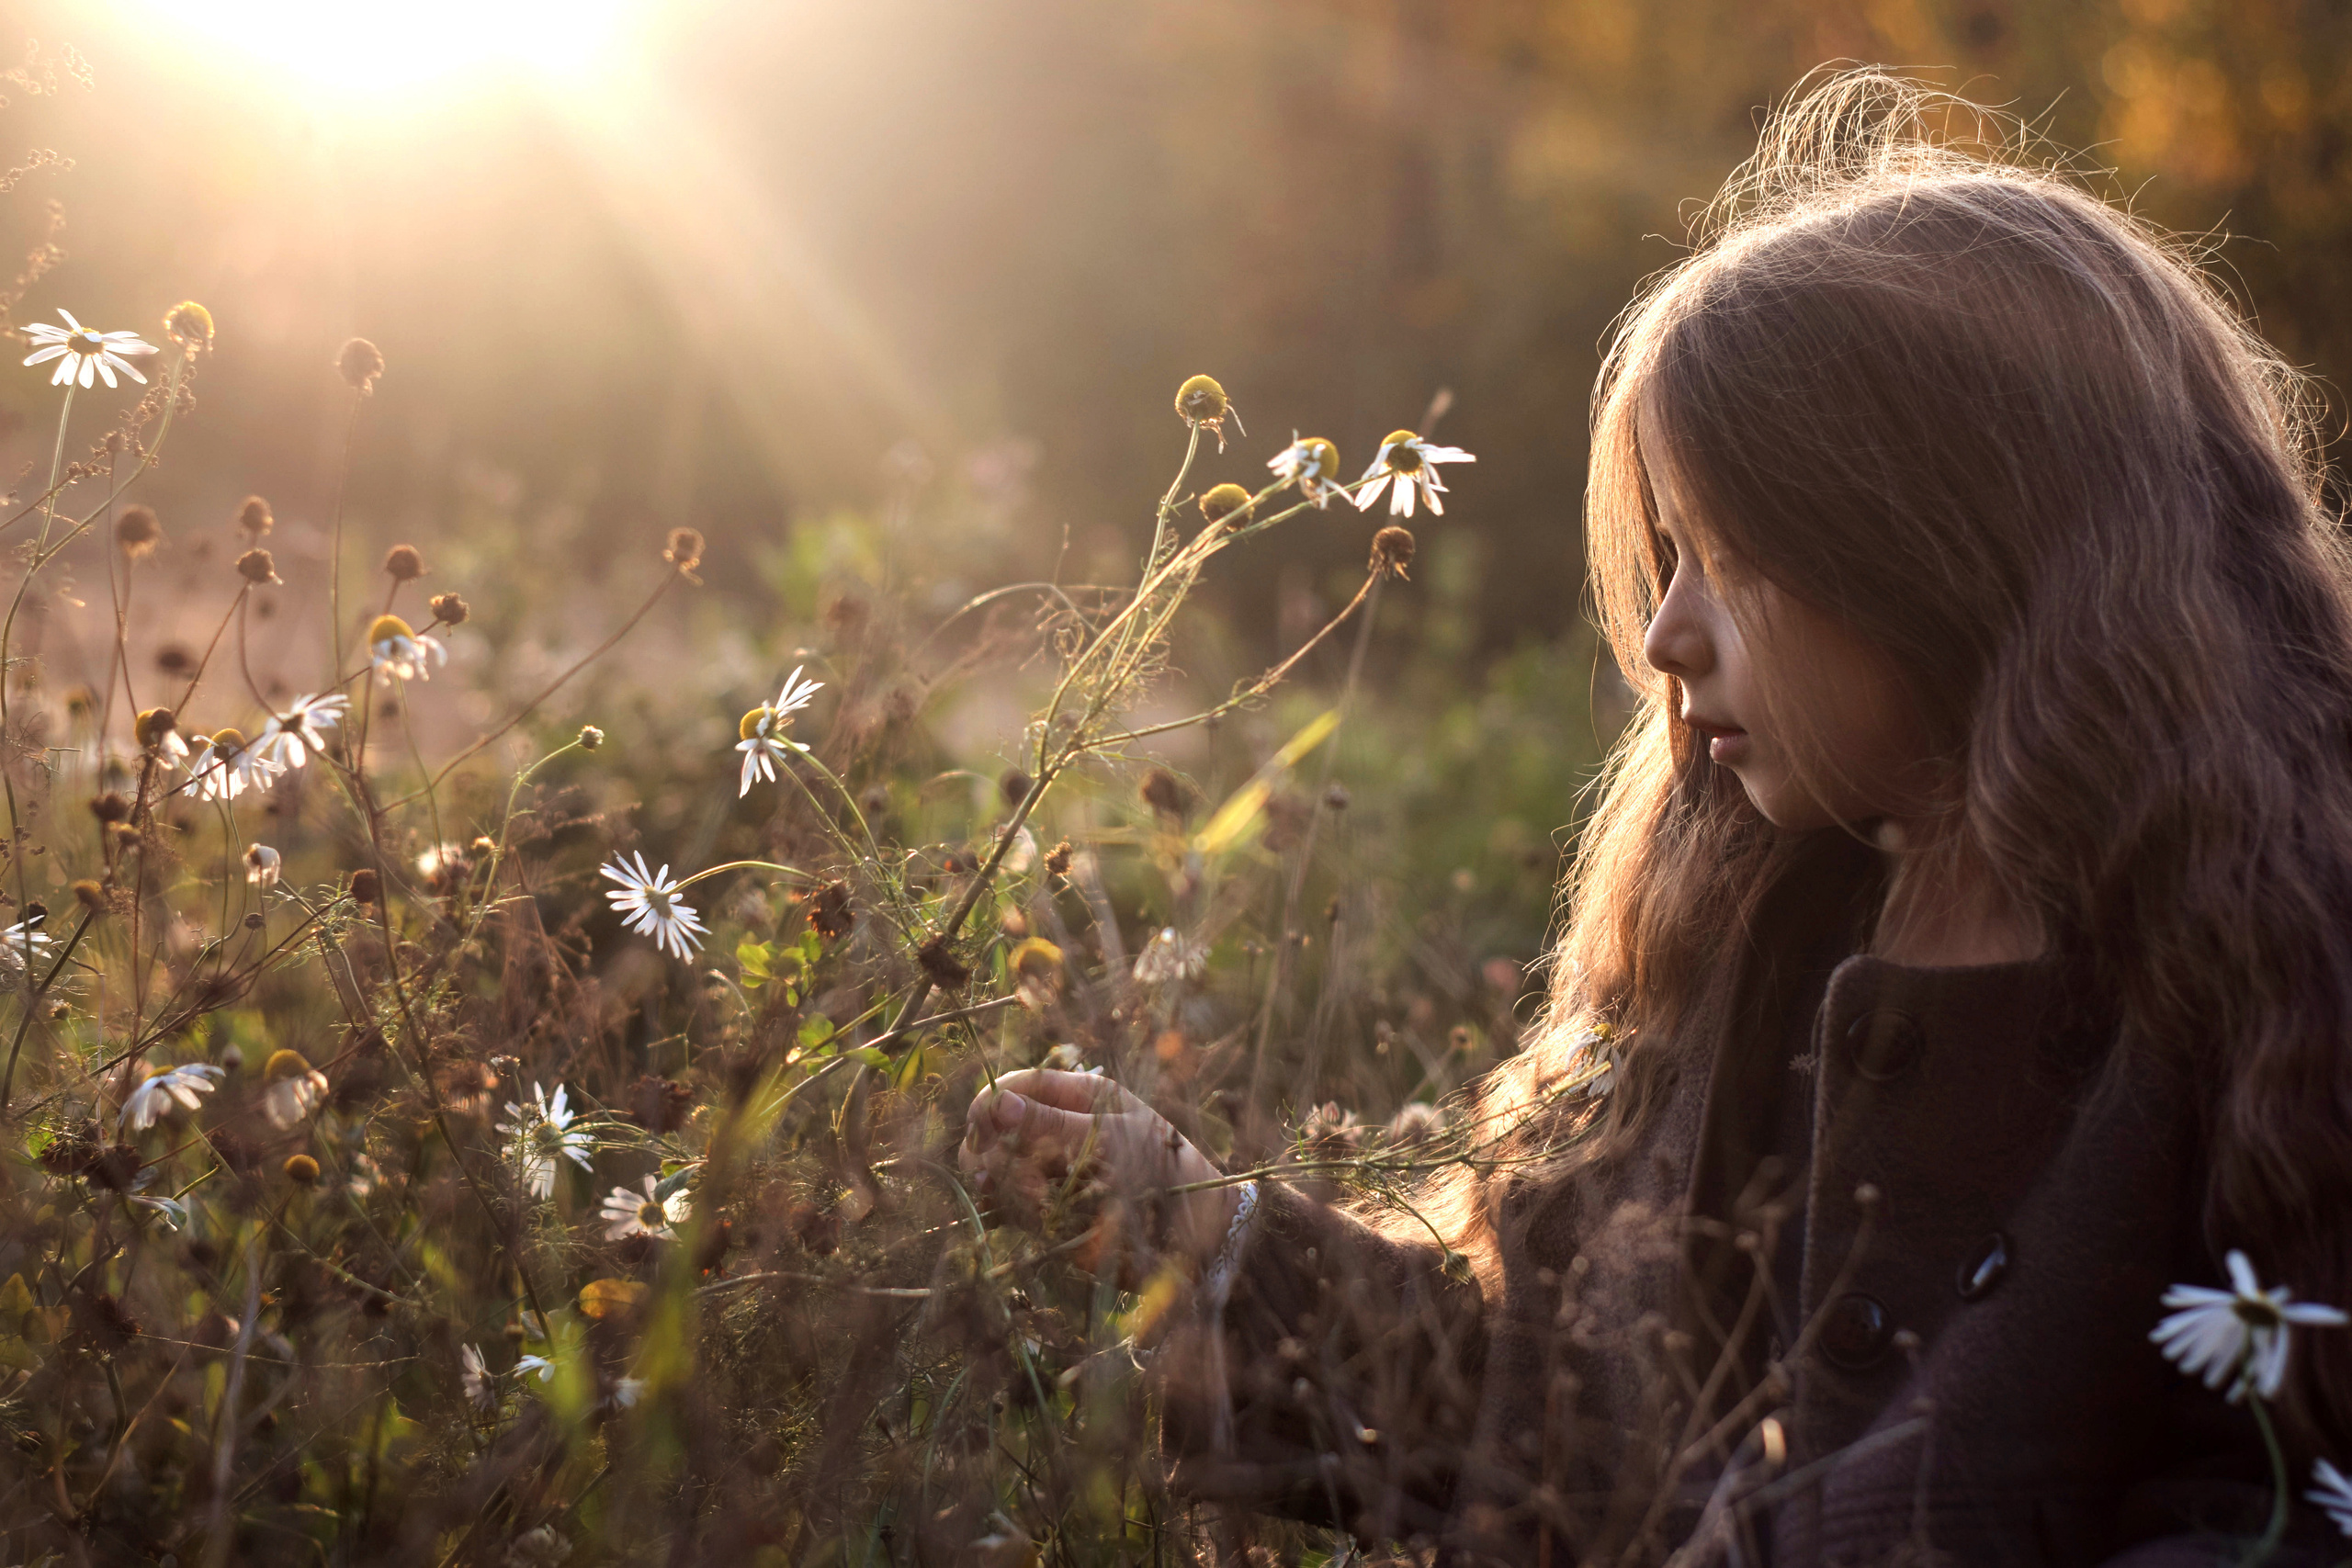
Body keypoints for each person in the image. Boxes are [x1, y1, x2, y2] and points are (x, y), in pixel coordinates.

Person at [959, 69, 2352, 1565]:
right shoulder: (1753, 928)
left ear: (1952, 554)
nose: (1665, 638)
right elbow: (1540, 1409)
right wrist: (1208, 1229)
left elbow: (2265, 1508)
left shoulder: (2268, 978)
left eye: (1733, 552)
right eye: (1666, 552)